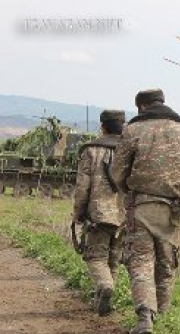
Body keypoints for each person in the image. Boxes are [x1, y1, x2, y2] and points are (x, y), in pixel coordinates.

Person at [111, 89, 180, 334]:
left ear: (141, 107)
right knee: (166, 263)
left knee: (140, 261)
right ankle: (164, 315)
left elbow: (117, 172)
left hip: (141, 207)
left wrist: (126, 191)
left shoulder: (132, 131)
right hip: (175, 209)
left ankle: (145, 316)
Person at [72, 109, 126, 316]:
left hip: (98, 215)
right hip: (124, 216)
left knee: (95, 257)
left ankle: (104, 286)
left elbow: (82, 187)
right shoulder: (130, 149)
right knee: (114, 258)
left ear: (102, 126)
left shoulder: (91, 151)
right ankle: (104, 302)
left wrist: (78, 213)